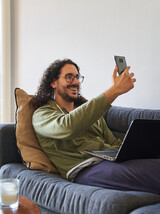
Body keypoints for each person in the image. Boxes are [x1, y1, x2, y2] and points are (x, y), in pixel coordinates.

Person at [32, 59, 160, 194]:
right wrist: (114, 91)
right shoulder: (42, 114)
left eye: (77, 77)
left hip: (111, 160)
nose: (75, 82)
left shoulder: (90, 114)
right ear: (53, 82)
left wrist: (137, 151)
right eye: (69, 77)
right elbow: (68, 127)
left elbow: (113, 142)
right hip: (85, 168)